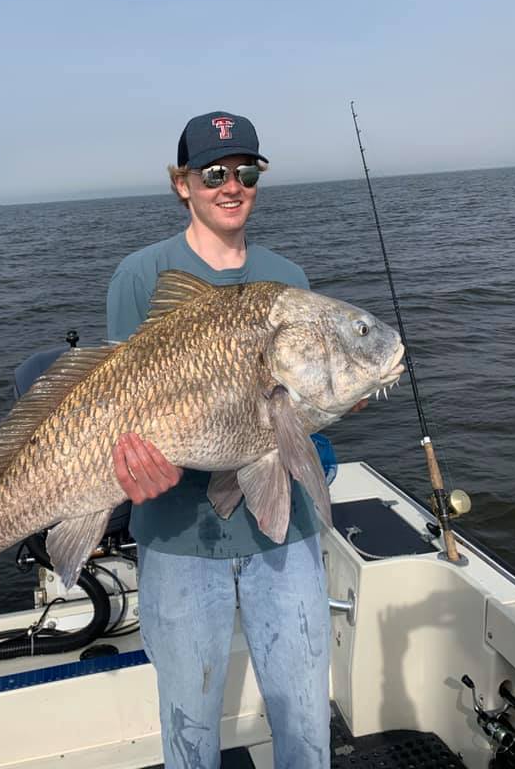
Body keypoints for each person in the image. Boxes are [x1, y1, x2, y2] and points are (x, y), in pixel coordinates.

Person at [107, 111, 346, 769]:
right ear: (183, 183)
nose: (230, 184)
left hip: (284, 537)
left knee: (304, 720)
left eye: (246, 170)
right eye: (213, 172)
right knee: (190, 732)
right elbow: (110, 403)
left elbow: (297, 401)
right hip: (178, 540)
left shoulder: (286, 274)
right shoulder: (139, 276)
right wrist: (130, 466)